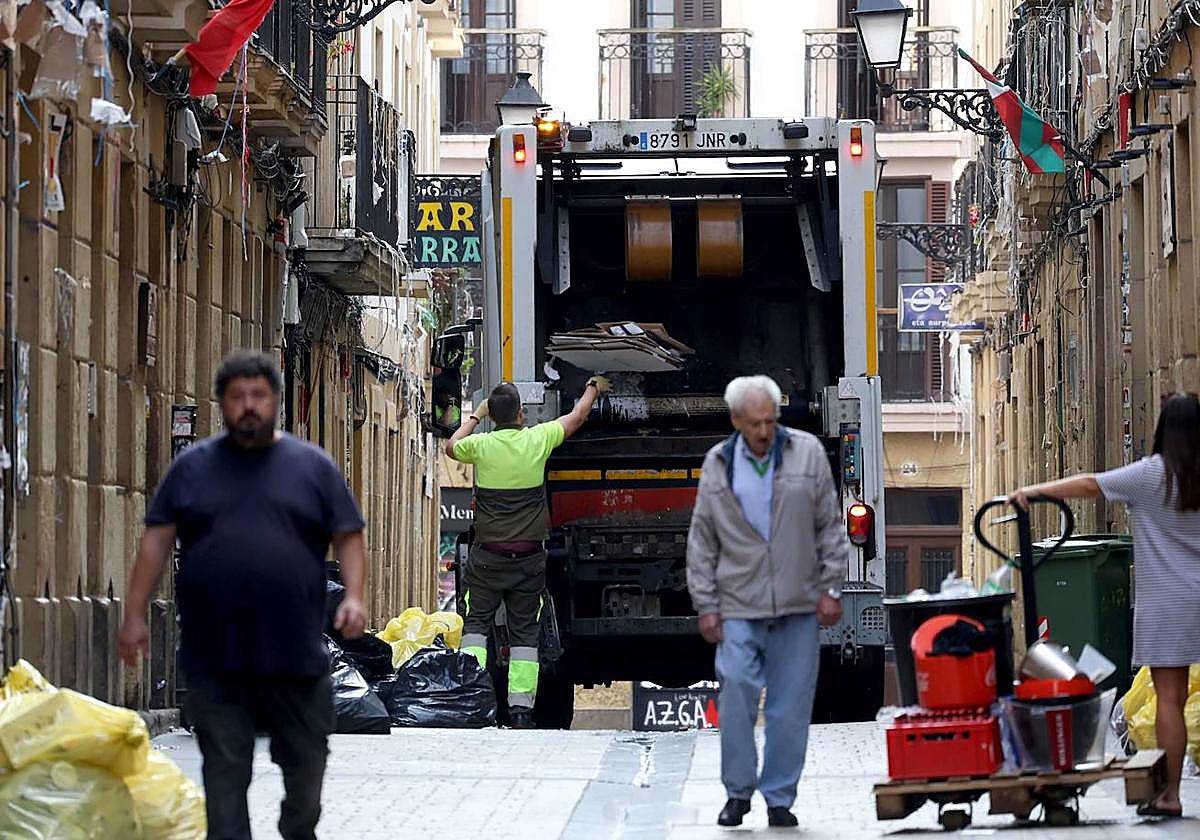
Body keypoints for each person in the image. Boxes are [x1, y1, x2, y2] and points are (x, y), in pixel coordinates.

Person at [118, 349, 369, 840]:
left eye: (258, 395)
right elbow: (155, 541)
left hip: (295, 657)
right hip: (216, 659)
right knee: (225, 775)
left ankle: (297, 828)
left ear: (275, 400)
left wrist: (355, 596)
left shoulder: (311, 468)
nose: (248, 406)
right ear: (222, 404)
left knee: (307, 764)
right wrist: (133, 615)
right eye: (237, 397)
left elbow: (349, 534)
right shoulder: (192, 470)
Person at [1008, 392, 1200, 820]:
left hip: (1168, 605)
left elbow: (1091, 484)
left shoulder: (1151, 475)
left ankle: (1169, 794)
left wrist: (1033, 492)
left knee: (1170, 699)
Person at [687, 375, 849, 828]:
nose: (765, 431)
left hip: (797, 603)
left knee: (790, 706)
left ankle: (779, 797)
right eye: (756, 422)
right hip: (739, 603)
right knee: (736, 692)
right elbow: (702, 540)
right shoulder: (719, 464)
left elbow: (829, 528)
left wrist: (831, 588)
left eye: (771, 420)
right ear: (736, 420)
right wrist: (706, 603)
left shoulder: (808, 453)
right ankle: (737, 793)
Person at [446, 376, 609, 728]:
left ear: (495, 416)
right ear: (521, 413)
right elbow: (577, 417)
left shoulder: (482, 446)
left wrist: (476, 416)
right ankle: (521, 712)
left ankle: (473, 700)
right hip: (528, 561)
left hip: (487, 560)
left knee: (475, 627)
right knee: (524, 635)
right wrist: (594, 387)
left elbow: (451, 445)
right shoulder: (537, 439)